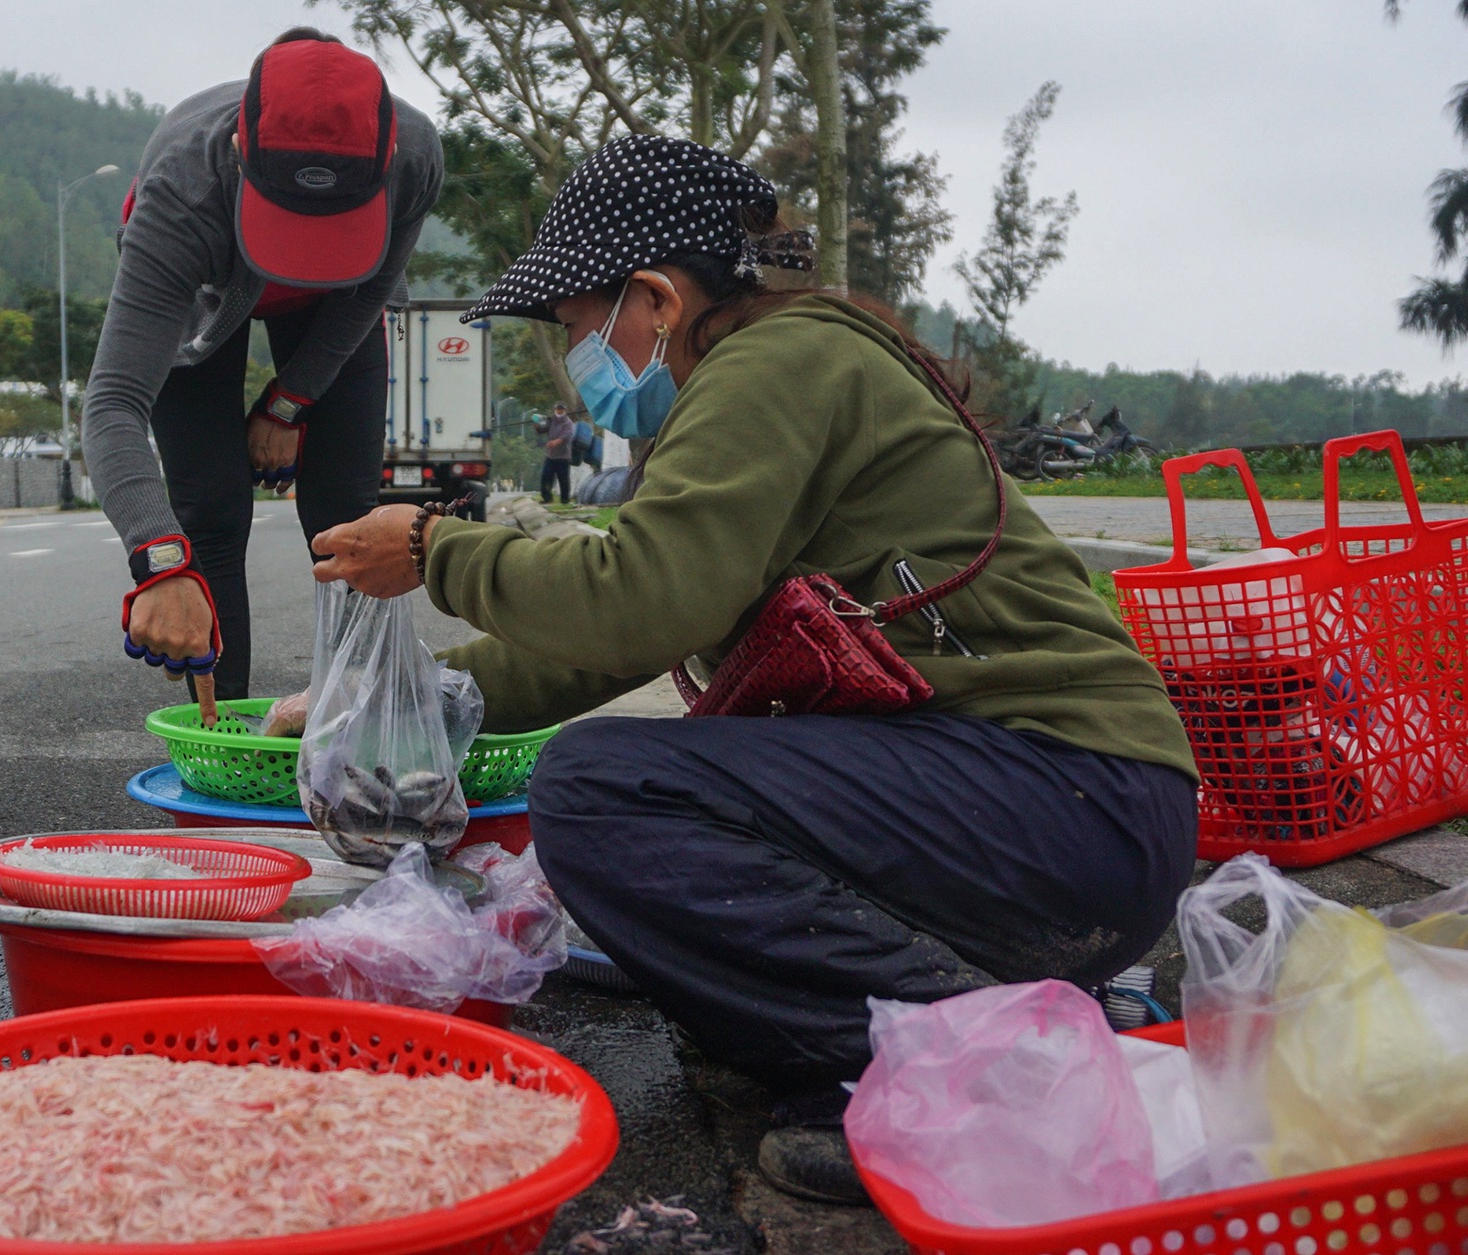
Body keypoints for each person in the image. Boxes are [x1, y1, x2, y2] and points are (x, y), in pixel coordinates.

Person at [311, 135, 1198, 1206]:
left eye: (575, 325)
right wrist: (400, 704)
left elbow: (641, 594)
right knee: (632, 789)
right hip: (1050, 811)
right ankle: (986, 1006)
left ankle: (949, 1061)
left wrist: (435, 551)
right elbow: (624, 626)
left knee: (599, 790)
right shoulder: (761, 374)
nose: (573, 352)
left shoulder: (777, 366)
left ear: (653, 299)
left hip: (1069, 797)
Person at [83, 28, 443, 705]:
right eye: (293, 223)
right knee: (210, 514)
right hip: (204, 296)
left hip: (339, 304)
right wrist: (159, 558)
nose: (303, 250)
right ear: (241, 154)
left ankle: (358, 728)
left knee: (346, 515)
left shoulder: (414, 156)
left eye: (327, 224)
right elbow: (113, 402)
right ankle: (225, 744)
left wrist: (290, 400)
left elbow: (369, 290)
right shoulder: (182, 188)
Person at [538, 404, 573, 503]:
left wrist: (555, 442)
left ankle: (565, 500)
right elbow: (542, 429)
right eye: (558, 409)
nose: (559, 411)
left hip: (563, 456)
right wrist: (537, 425)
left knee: (563, 480)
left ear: (564, 410)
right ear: (555, 410)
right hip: (550, 456)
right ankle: (547, 498)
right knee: (546, 477)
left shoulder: (568, 423)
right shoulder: (550, 420)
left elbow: (566, 437)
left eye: (561, 409)